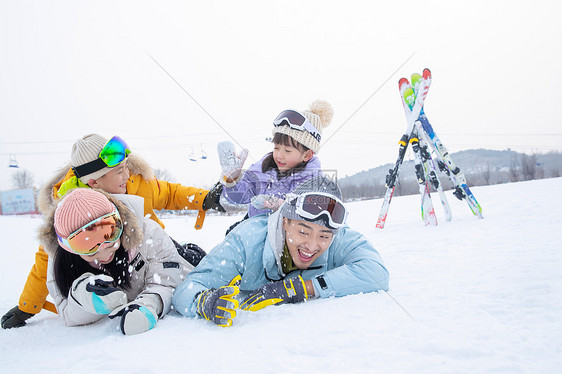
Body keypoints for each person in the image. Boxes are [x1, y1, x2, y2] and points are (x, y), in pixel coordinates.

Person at [1, 134, 224, 329]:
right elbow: (46, 259)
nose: (127, 175)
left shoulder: (134, 182)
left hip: (153, 247)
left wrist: (204, 198)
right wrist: (28, 306)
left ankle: (212, 274)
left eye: (126, 166)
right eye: (119, 171)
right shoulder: (73, 212)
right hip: (111, 263)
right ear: (94, 181)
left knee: (191, 258)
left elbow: (168, 192)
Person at [172, 176, 390, 327]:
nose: (312, 246)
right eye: (303, 231)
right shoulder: (245, 241)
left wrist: (301, 288)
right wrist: (205, 302)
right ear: (285, 222)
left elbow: (376, 272)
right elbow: (186, 289)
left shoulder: (337, 238)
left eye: (323, 236)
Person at [39, 188, 192, 335]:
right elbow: (67, 313)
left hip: (184, 259)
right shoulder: (60, 263)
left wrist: (149, 304)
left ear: (120, 221)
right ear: (68, 248)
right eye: (87, 244)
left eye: (109, 233)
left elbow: (167, 282)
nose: (103, 250)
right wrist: (86, 300)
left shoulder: (149, 234)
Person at [217, 100, 333, 232]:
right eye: (276, 148)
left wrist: (280, 205)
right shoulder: (262, 169)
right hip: (254, 232)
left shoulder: (312, 183)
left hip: (283, 241)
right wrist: (232, 179)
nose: (279, 155)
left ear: (307, 155)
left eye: (287, 150)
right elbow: (239, 197)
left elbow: (312, 220)